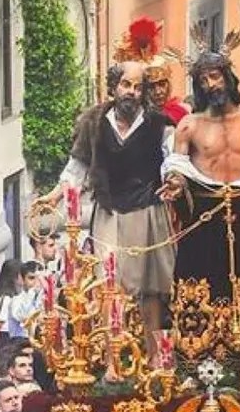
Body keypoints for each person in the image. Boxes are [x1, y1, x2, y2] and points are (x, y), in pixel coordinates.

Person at [36, 59, 175, 359]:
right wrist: (55, 196)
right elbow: (77, 167)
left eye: (138, 87)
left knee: (151, 289)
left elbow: (173, 162)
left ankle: (155, 356)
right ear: (113, 87)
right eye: (126, 85)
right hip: (109, 211)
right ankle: (112, 359)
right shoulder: (93, 122)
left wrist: (174, 182)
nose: (131, 92)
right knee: (107, 285)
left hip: (148, 210)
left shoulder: (159, 124)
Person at [158, 34, 240, 306]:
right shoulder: (189, 125)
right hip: (205, 213)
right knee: (202, 285)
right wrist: (175, 184)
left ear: (227, 77)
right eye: (203, 80)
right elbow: (178, 165)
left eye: (215, 76)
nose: (211, 84)